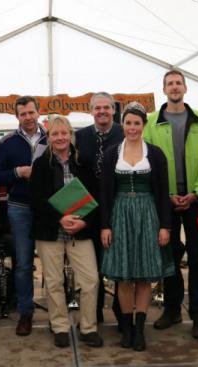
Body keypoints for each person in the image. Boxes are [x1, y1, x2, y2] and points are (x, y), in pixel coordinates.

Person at [143, 70, 198, 339]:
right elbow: (148, 161)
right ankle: (172, 309)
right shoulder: (152, 122)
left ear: (185, 87)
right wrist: (168, 193)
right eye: (169, 84)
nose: (174, 87)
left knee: (197, 257)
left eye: (178, 83)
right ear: (164, 90)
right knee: (169, 257)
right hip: (166, 199)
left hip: (195, 200)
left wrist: (196, 193)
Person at [100, 102, 174, 351]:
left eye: (137, 123)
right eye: (128, 123)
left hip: (147, 214)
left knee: (143, 276)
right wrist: (105, 225)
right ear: (123, 125)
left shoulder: (155, 153)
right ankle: (128, 327)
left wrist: (165, 226)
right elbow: (105, 193)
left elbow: (163, 193)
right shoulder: (112, 153)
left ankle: (140, 329)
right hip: (120, 214)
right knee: (123, 277)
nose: (132, 128)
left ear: (144, 125)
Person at [29, 115, 102, 348]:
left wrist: (85, 223)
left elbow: (96, 196)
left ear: (71, 135)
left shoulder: (84, 162)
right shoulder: (41, 164)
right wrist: (60, 218)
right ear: (48, 138)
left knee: (90, 280)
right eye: (55, 134)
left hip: (80, 231)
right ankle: (59, 326)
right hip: (50, 231)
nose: (60, 138)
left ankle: (88, 327)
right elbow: (35, 200)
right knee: (53, 281)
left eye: (64, 133)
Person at [0, 96, 48, 336]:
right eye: (23, 114)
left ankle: (58, 314)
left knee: (53, 263)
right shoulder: (7, 142)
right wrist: (18, 172)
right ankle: (26, 313)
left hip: (48, 208)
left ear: (38, 112)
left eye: (31, 112)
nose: (28, 117)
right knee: (24, 264)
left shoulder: (53, 137)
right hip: (20, 208)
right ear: (17, 116)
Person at [75, 92, 124, 324]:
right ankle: (94, 314)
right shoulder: (80, 136)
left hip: (119, 206)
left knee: (119, 261)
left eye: (106, 107)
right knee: (92, 266)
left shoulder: (126, 133)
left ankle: (121, 311)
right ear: (91, 111)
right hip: (88, 210)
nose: (102, 111)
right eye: (97, 108)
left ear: (114, 110)